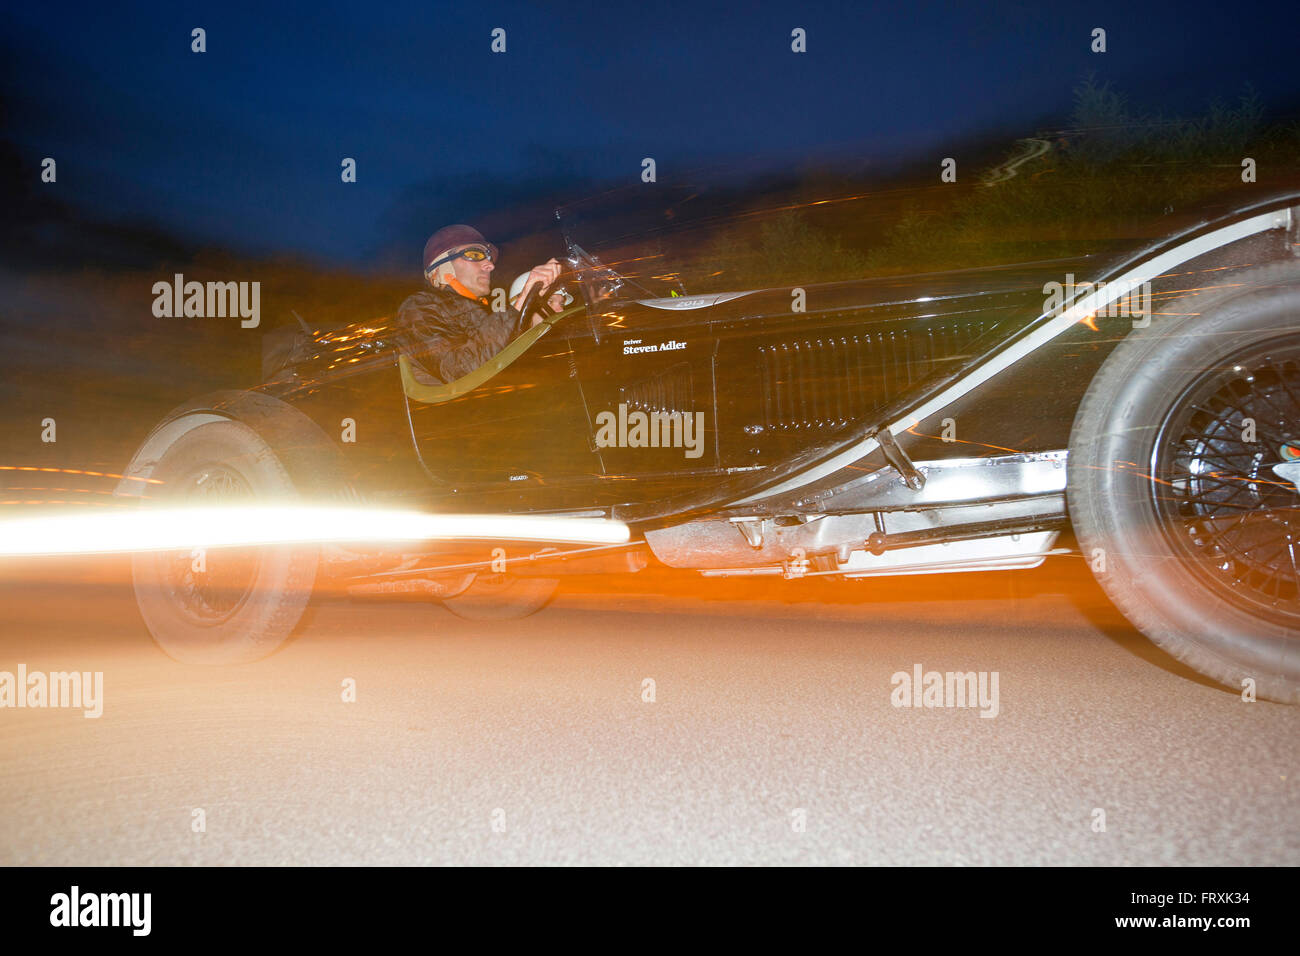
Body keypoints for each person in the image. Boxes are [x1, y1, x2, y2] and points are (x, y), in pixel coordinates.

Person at [395, 224, 564, 385]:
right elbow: (457, 370)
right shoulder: (418, 308)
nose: (490, 265)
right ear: (443, 266)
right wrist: (520, 305)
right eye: (475, 255)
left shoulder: (477, 313)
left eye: (489, 258)